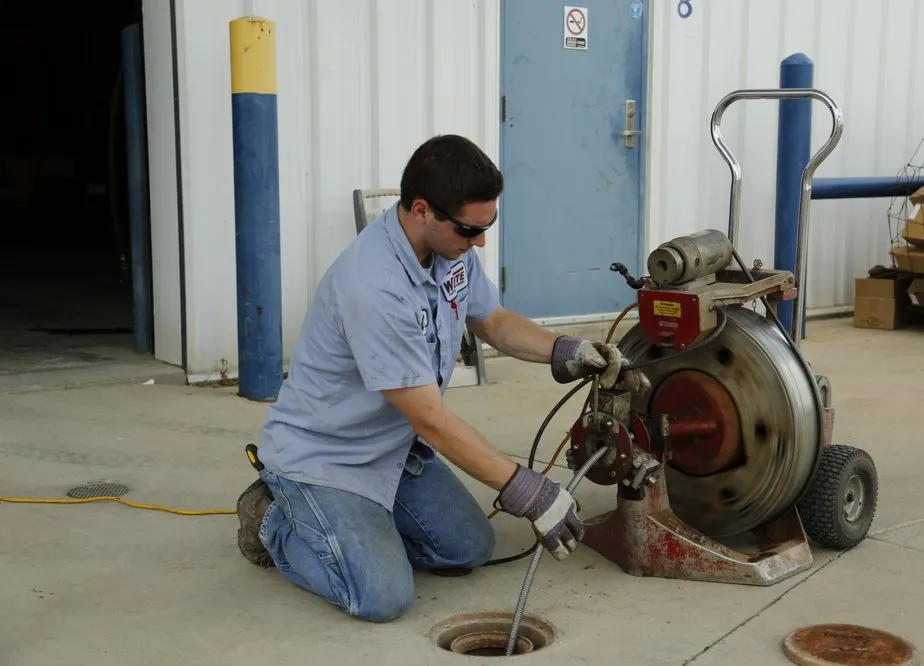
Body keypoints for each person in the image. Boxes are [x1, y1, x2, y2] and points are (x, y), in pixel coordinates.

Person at [235, 134, 646, 623]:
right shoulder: (373, 286)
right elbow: (430, 420)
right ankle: (273, 520)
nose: (481, 242)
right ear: (423, 210)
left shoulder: (450, 251)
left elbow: (491, 320)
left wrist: (568, 351)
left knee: (468, 549)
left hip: (393, 448)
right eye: (471, 230)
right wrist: (527, 491)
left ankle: (359, 529)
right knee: (381, 596)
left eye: (487, 226)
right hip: (328, 457)